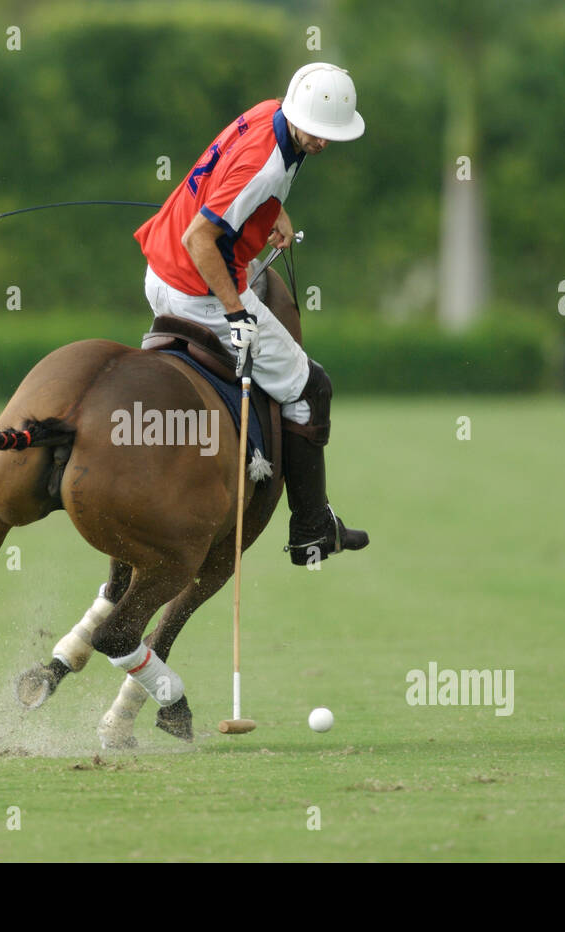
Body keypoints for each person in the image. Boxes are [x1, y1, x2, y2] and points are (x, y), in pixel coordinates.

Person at [134, 62, 368, 565]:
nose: (323, 143)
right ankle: (311, 529)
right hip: (195, 288)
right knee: (311, 387)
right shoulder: (264, 164)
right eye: (318, 131)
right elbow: (201, 238)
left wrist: (272, 210)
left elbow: (242, 179)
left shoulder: (271, 113)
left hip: (160, 270)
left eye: (332, 134)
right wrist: (236, 312)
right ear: (298, 114)